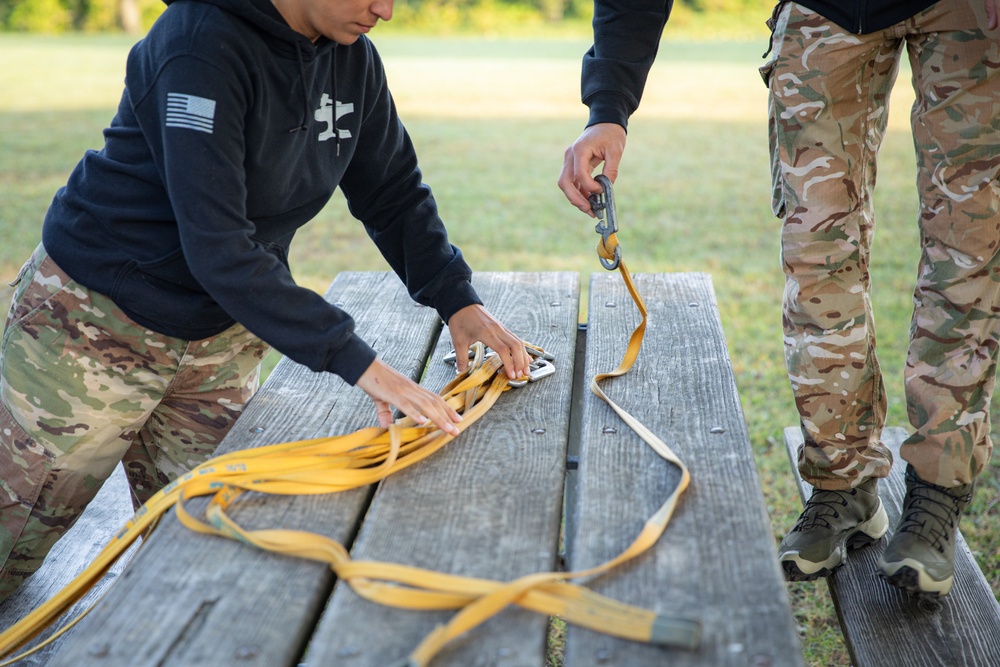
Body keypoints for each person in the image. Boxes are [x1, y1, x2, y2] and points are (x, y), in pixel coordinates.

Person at [0, 0, 532, 601]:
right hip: (91, 332)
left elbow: (392, 191)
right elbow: (219, 247)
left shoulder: (352, 58)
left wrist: (457, 298)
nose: (384, 10)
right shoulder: (199, 43)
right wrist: (362, 365)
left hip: (222, 338)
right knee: (9, 548)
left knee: (217, 560)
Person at [558, 1, 1000, 598]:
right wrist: (607, 106)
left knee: (968, 248)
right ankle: (843, 486)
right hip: (828, 10)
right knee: (816, 253)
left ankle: (937, 497)